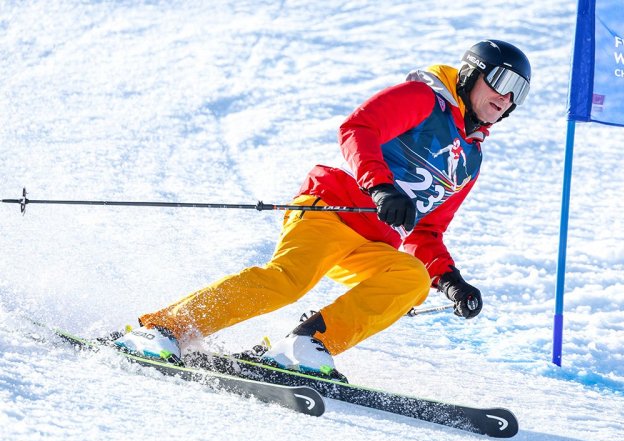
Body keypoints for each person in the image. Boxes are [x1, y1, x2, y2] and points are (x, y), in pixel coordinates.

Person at [114, 39, 531, 379]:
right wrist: (382, 188)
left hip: (371, 240)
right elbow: (358, 127)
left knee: (411, 279)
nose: (508, 97)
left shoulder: (471, 161)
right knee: (287, 281)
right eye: (502, 80)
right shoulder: (425, 98)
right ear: (472, 73)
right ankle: (162, 329)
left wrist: (451, 281)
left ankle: (305, 345)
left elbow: (426, 233)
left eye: (520, 92)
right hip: (332, 208)